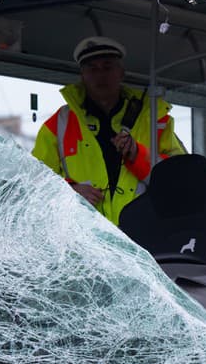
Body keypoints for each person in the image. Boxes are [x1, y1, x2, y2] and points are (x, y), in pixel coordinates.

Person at [33, 35, 186, 226]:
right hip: (86, 238)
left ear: (121, 73)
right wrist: (70, 191)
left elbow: (181, 179)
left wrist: (138, 155)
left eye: (107, 67)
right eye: (92, 68)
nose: (100, 75)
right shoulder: (58, 124)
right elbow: (35, 182)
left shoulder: (155, 119)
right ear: (82, 75)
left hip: (144, 234)